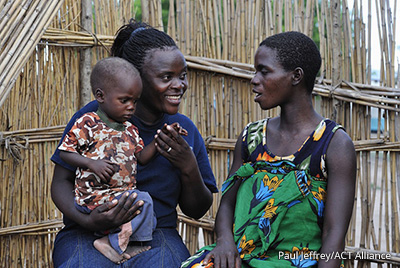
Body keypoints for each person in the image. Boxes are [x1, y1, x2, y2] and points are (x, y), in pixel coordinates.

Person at [51, 20, 218, 268]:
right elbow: (60, 183)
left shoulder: (182, 129)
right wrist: (87, 221)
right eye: (166, 77)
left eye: (182, 76)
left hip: (156, 234)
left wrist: (188, 167)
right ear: (136, 78)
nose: (179, 85)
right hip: (86, 232)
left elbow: (197, 209)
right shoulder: (91, 118)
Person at [181, 31, 356, 268]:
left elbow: (334, 235)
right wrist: (224, 243)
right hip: (240, 256)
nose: (254, 79)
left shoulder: (333, 144)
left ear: (296, 76)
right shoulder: (252, 138)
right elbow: (227, 204)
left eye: (264, 71)